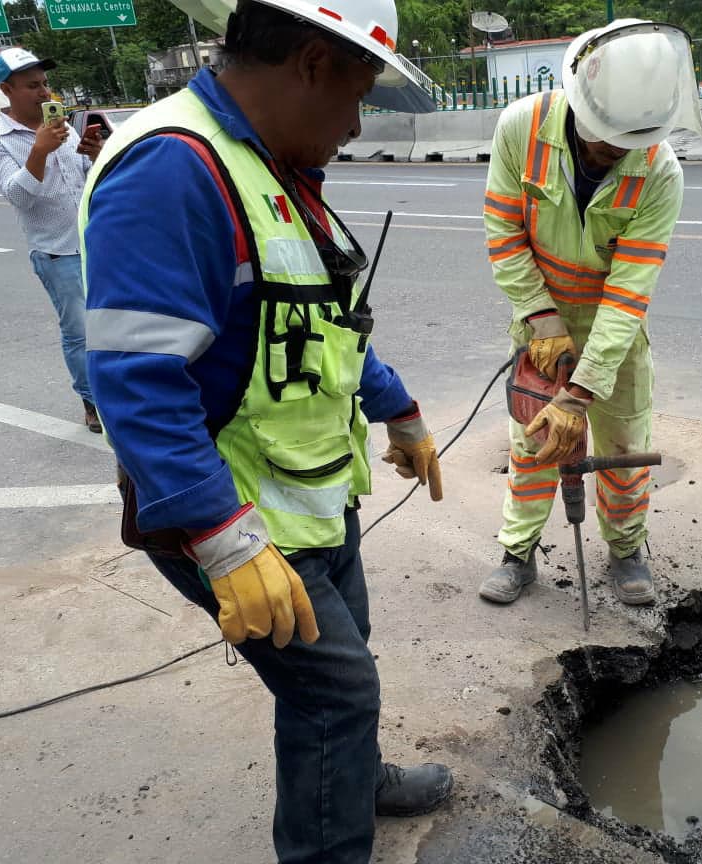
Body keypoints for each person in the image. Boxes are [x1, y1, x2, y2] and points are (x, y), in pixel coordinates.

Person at [80, 1, 451, 861]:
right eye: (357, 93)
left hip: (312, 493)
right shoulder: (174, 170)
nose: (357, 125)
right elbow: (137, 378)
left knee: (341, 673)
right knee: (336, 693)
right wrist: (221, 539)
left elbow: (316, 323)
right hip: (237, 512)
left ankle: (353, 777)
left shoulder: (267, 163)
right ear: (313, 64)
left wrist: (396, 407)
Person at [479, 20, 702, 608]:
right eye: (607, 137)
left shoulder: (659, 171)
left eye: (630, 141)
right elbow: (504, 233)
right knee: (533, 444)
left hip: (614, 337)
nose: (615, 151)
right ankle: (517, 553)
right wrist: (540, 318)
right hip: (538, 324)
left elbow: (630, 291)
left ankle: (627, 551)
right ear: (581, 99)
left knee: (624, 452)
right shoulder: (519, 130)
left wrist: (580, 394)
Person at [0, 48, 103, 432]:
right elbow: (17, 195)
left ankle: (118, 392)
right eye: (32, 85)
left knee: (115, 323)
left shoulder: (63, 128)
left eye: (45, 83)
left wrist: (95, 153)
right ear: (7, 89)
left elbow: (87, 176)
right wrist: (38, 150)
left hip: (97, 242)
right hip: (56, 251)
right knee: (80, 331)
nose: (43, 91)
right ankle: (91, 401)